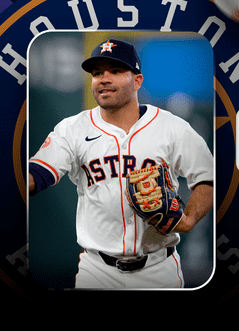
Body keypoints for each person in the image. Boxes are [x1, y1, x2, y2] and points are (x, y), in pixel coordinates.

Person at [28, 38, 214, 289]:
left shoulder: (172, 128)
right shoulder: (72, 130)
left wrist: (189, 218)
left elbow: (208, 176)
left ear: (137, 81)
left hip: (159, 269)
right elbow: (35, 174)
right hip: (97, 270)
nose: (104, 79)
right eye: (97, 73)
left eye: (115, 71)